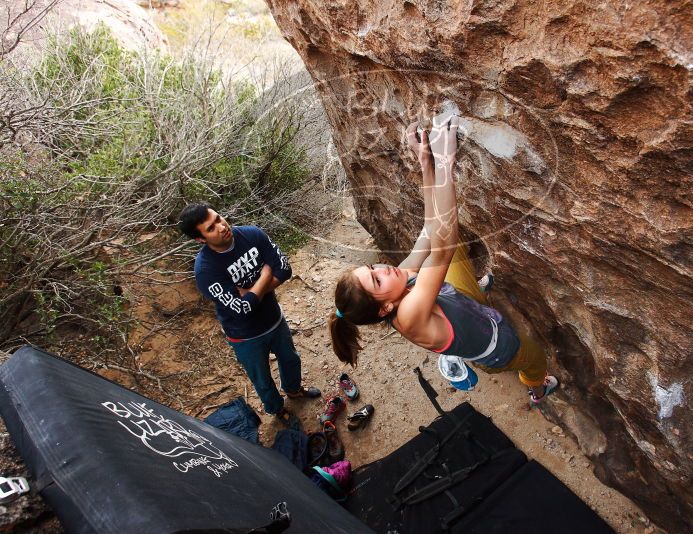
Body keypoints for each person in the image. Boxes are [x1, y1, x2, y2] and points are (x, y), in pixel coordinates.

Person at [328, 115, 559, 406]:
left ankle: (476, 293)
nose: (383, 268)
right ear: (385, 307)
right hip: (497, 347)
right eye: (376, 279)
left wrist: (426, 164)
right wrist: (446, 161)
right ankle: (538, 390)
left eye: (373, 268)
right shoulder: (409, 315)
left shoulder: (396, 284)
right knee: (534, 356)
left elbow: (429, 229)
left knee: (444, 241)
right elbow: (441, 247)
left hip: (460, 303)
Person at [179, 204, 320, 428]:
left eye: (218, 218)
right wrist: (265, 275)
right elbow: (243, 309)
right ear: (200, 239)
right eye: (211, 227)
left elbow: (284, 269)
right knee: (262, 379)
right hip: (245, 336)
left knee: (290, 359)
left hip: (274, 319)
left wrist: (251, 292)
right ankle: (277, 409)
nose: (221, 226)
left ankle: (294, 390)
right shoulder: (205, 270)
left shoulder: (251, 234)